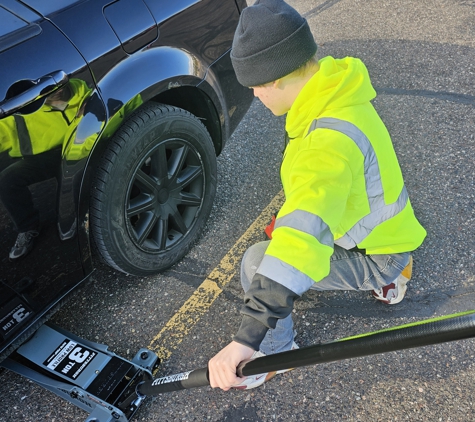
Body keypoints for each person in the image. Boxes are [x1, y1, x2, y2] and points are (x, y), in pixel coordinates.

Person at [208, 0, 426, 391]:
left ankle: (277, 354)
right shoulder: (336, 92)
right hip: (387, 233)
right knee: (281, 237)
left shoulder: (325, 142)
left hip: (377, 253)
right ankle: (395, 274)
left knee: (258, 261)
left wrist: (246, 338)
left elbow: (302, 238)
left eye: (256, 85)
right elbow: (323, 191)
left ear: (277, 76)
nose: (255, 96)